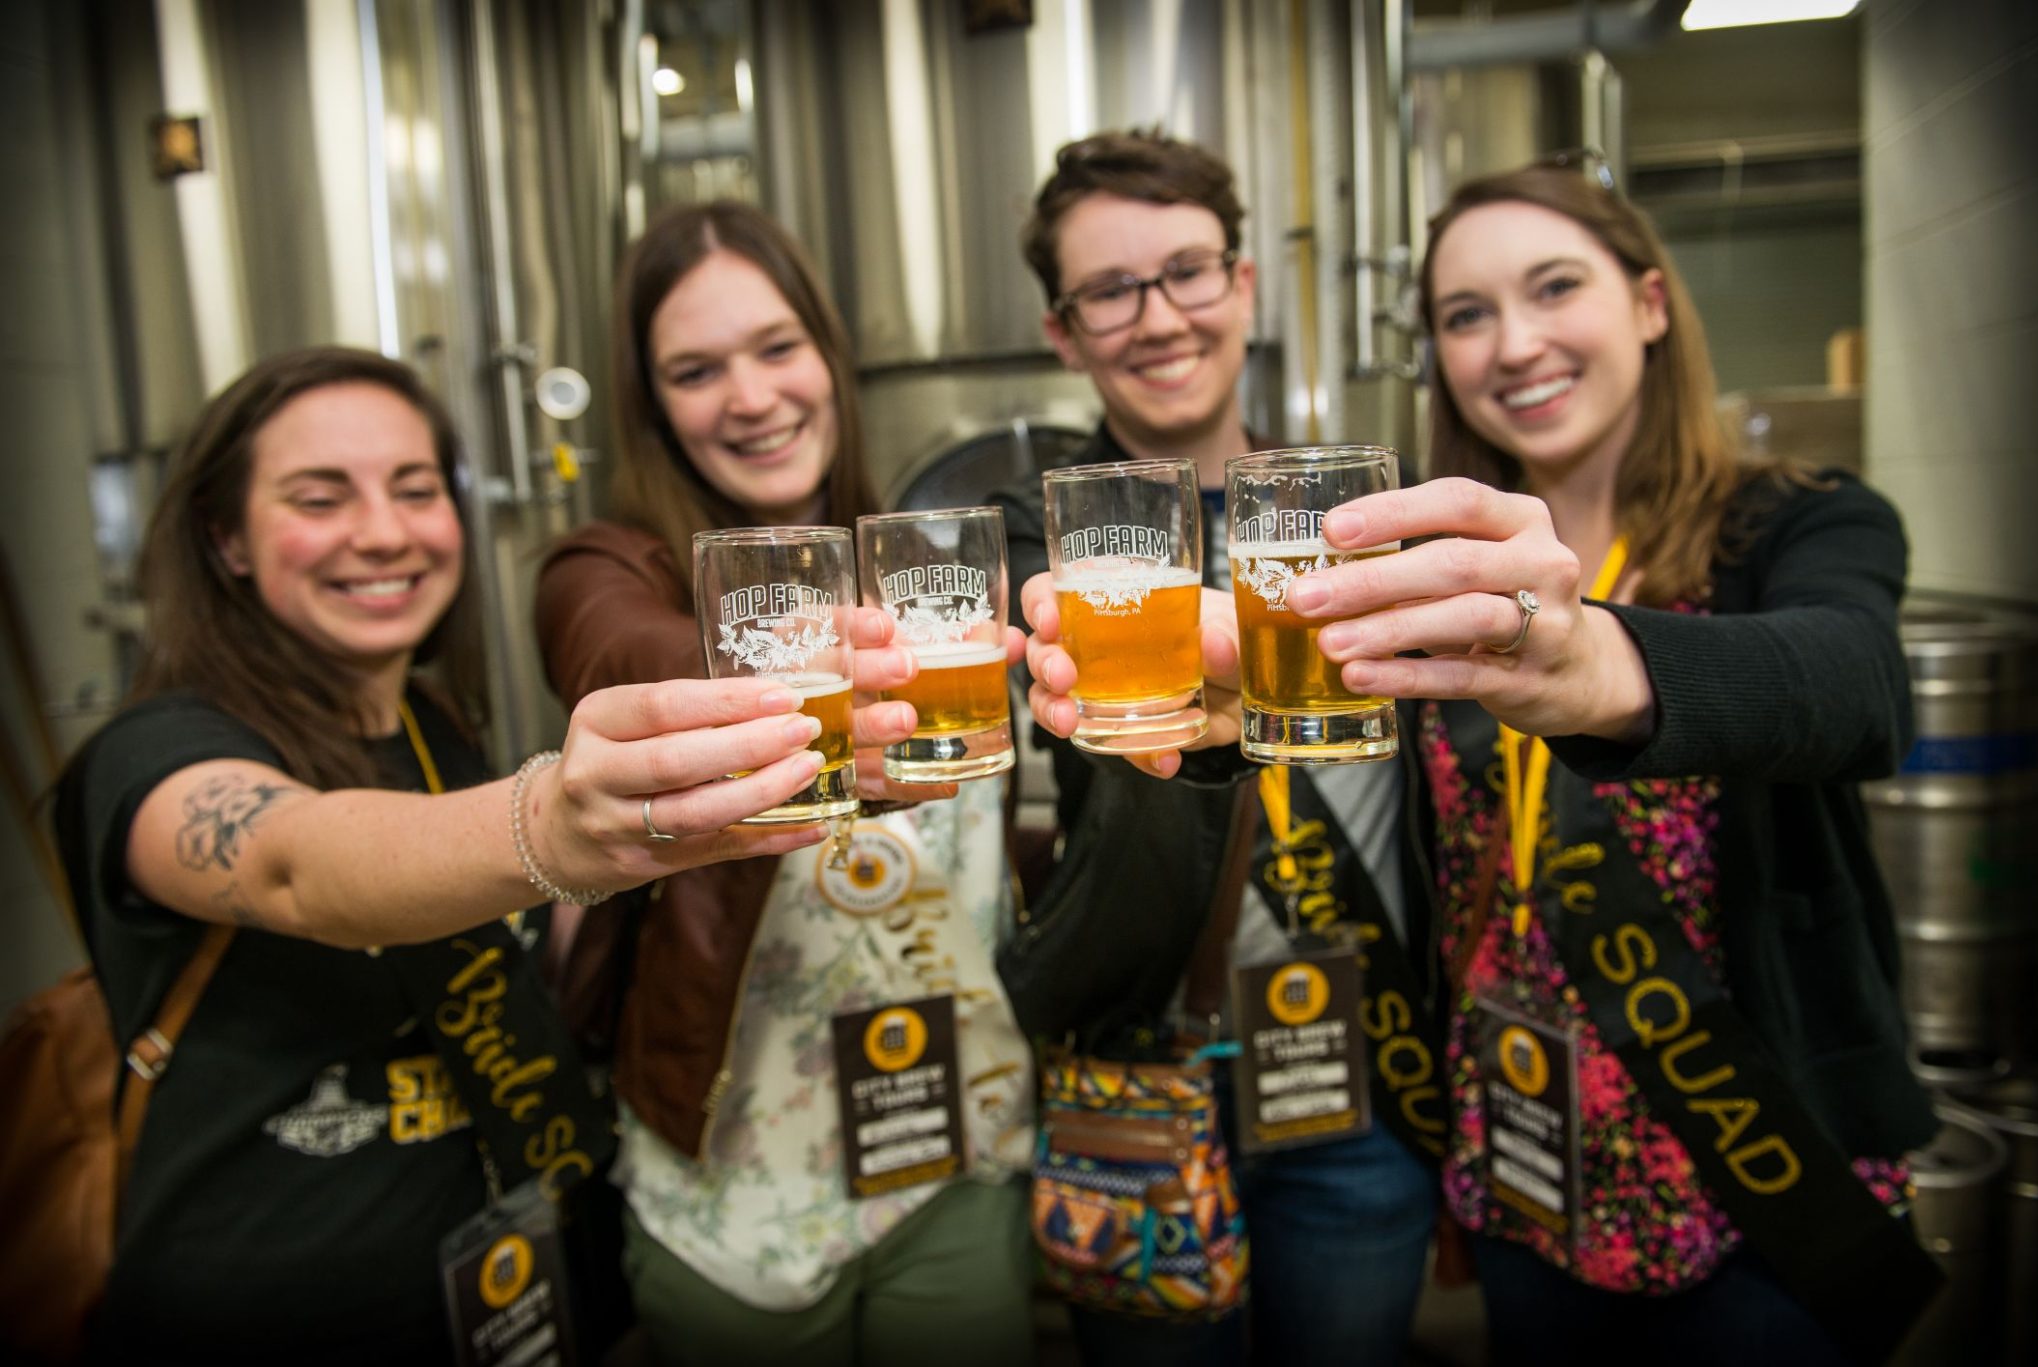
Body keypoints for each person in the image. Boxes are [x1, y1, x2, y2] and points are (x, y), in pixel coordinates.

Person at [1034, 156, 1940, 1365]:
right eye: (1465, 315)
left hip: (1749, 1163)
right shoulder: (1430, 547)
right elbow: (1332, 737)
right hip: (1522, 1164)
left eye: (1554, 287)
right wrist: (1209, 735)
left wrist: (1596, 664)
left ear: (1651, 302)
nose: (1513, 343)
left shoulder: (1797, 519)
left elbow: (1855, 687)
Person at [51, 346, 846, 1365]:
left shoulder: (435, 729)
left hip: (505, 1305)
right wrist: (551, 827)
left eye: (415, 490)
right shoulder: (154, 751)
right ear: (226, 538)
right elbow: (293, 865)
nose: (382, 533)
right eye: (319, 497)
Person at [533, 200, 1037, 1367]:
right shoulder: (605, 570)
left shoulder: (932, 557)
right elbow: (621, 657)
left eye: (775, 348)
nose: (749, 396)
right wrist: (791, 656)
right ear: (652, 404)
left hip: (950, 1153)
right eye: (696, 370)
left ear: (826, 355)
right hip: (732, 1195)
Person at [994, 128, 1439, 1367]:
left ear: (1242, 285)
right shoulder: (1043, 547)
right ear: (1062, 332)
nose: (1156, 316)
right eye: (1108, 290)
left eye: (1186, 270)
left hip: (1357, 1065)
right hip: (1143, 1059)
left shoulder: (1362, 514)